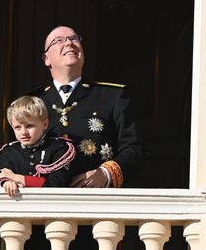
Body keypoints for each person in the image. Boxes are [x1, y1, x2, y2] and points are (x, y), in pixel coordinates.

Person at [32, 25, 143, 189]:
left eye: (74, 38)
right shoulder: (32, 102)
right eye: (59, 40)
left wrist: (106, 173)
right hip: (44, 202)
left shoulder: (112, 97)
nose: (69, 43)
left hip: (98, 203)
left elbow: (134, 149)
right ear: (46, 59)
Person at [0, 95, 76, 198]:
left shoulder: (59, 148)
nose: (23, 132)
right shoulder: (9, 152)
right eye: (17, 127)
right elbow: (3, 177)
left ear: (45, 124)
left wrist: (16, 178)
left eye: (29, 126)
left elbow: (56, 184)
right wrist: (7, 183)